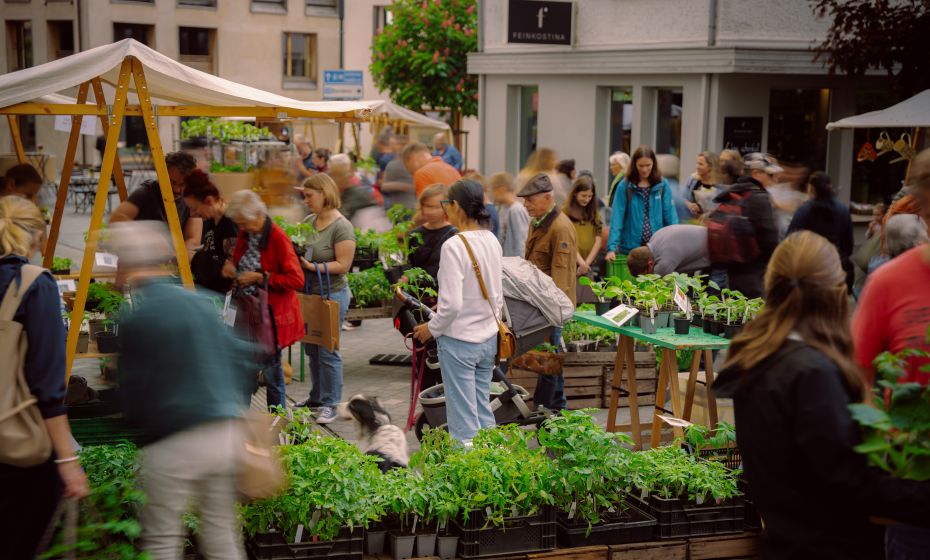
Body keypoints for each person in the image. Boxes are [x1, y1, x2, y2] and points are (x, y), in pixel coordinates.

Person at [713, 231, 930, 560]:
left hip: (785, 543)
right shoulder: (812, 374)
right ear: (836, 292)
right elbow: (850, 483)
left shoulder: (760, 358)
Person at [113, 220, 254, 560]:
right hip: (223, 434)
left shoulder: (136, 318)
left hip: (173, 440)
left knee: (163, 539)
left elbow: (133, 391)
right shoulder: (200, 301)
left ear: (128, 265)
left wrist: (134, 427)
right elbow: (240, 355)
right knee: (221, 533)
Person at [0, 196, 88, 560]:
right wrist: (67, 461)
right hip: (17, 446)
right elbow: (48, 386)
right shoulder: (34, 285)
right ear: (37, 236)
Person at [412, 179, 502, 445]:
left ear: (456, 206)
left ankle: (469, 469)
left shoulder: (454, 245)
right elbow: (497, 294)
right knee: (483, 411)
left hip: (460, 341)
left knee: (463, 423)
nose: (444, 209)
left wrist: (431, 329)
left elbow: (451, 305)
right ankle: (493, 463)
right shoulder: (491, 239)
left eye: (446, 203)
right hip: (488, 338)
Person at [223, 190, 304, 410]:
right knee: (243, 371)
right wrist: (234, 270)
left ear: (258, 214)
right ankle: (241, 420)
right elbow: (241, 262)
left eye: (244, 222)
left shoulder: (277, 238)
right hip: (245, 313)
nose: (241, 227)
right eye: (239, 223)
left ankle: (277, 420)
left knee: (272, 375)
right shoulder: (246, 233)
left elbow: (297, 279)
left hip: (268, 319)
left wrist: (259, 277)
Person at [293, 174, 356, 423]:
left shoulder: (341, 227)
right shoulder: (310, 221)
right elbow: (304, 250)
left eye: (309, 196)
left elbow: (343, 264)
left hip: (332, 294)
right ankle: (317, 397)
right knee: (312, 347)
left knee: (328, 349)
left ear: (324, 193)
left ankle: (332, 403)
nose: (306, 200)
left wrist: (311, 266)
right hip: (310, 294)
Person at [521, 173, 577, 411]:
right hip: (540, 303)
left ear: (547, 197)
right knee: (549, 358)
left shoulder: (560, 227)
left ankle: (547, 408)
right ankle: (555, 408)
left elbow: (562, 278)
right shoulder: (538, 222)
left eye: (530, 200)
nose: (526, 205)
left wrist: (553, 313)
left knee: (549, 358)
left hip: (551, 307)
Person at [710, 152, 780, 298]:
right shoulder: (759, 197)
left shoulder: (734, 191)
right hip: (755, 274)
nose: (775, 179)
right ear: (756, 173)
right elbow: (769, 239)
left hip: (731, 271)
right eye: (770, 174)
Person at [109, 151, 203, 256]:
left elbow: (193, 239)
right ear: (161, 176)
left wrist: (176, 257)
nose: (177, 189)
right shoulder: (146, 192)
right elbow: (116, 219)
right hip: (144, 257)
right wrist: (152, 235)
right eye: (171, 182)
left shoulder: (192, 198)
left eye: (183, 185)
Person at [605, 145, 679, 276]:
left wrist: (676, 243)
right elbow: (617, 217)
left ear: (653, 163)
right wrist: (611, 248)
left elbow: (670, 216)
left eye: (648, 165)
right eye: (641, 166)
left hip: (655, 248)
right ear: (634, 165)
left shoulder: (662, 185)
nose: (644, 170)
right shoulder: (625, 186)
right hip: (631, 249)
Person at [787, 172, 854, 291]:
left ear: (810, 188)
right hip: (835, 267)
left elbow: (790, 242)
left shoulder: (804, 210)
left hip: (809, 270)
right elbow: (848, 245)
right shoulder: (843, 210)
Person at [182, 169, 238, 294]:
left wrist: (194, 258)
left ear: (209, 201)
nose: (192, 214)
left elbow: (231, 269)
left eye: (194, 208)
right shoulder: (212, 220)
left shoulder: (230, 223)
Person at [408, 183, 458, 282]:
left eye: (437, 207)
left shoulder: (454, 234)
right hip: (418, 288)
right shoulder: (414, 234)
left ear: (447, 207)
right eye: (428, 206)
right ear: (421, 206)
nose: (432, 211)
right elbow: (411, 265)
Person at [626, 224, 710, 277]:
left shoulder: (664, 263)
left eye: (646, 275)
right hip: (706, 245)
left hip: (715, 250)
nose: (648, 277)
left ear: (650, 264)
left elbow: (660, 290)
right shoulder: (655, 238)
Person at [562, 176, 602, 278]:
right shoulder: (565, 213)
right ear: (575, 193)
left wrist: (586, 264)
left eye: (590, 196)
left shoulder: (595, 213)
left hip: (589, 265)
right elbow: (567, 240)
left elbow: (598, 239)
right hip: (569, 264)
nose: (587, 199)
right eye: (583, 196)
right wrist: (581, 262)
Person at [489, 172, 530, 258]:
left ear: (502, 190)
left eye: (494, 190)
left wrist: (520, 263)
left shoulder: (516, 210)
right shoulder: (501, 208)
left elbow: (521, 242)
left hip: (514, 263)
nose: (492, 195)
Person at [381, 135, 416, 210]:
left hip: (406, 206)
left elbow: (384, 186)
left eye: (393, 144)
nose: (391, 146)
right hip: (400, 206)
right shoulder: (392, 162)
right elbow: (384, 186)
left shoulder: (394, 163)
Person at [683, 151, 719, 219]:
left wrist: (707, 215)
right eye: (697, 163)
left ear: (710, 167)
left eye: (700, 164)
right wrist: (689, 204)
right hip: (691, 219)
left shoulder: (719, 184)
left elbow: (719, 207)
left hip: (710, 221)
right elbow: (683, 197)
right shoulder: (692, 179)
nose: (697, 166)